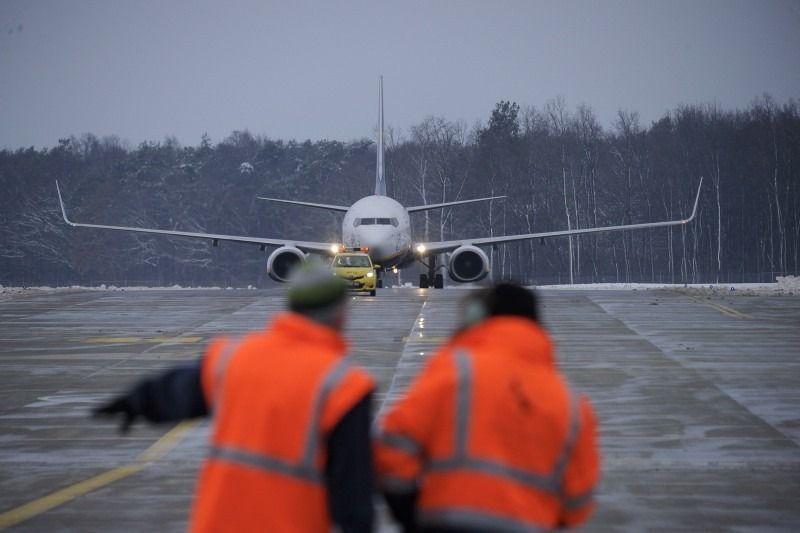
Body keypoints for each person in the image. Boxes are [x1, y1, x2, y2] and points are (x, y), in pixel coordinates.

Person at [94, 266, 376, 533]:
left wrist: (136, 401)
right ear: (340, 313)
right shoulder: (344, 384)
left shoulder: (235, 357)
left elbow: (179, 389)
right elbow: (352, 494)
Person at [373, 283, 600, 531]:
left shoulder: (455, 370)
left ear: (480, 316)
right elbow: (578, 499)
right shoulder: (571, 404)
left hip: (446, 522)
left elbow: (394, 442)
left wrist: (408, 512)